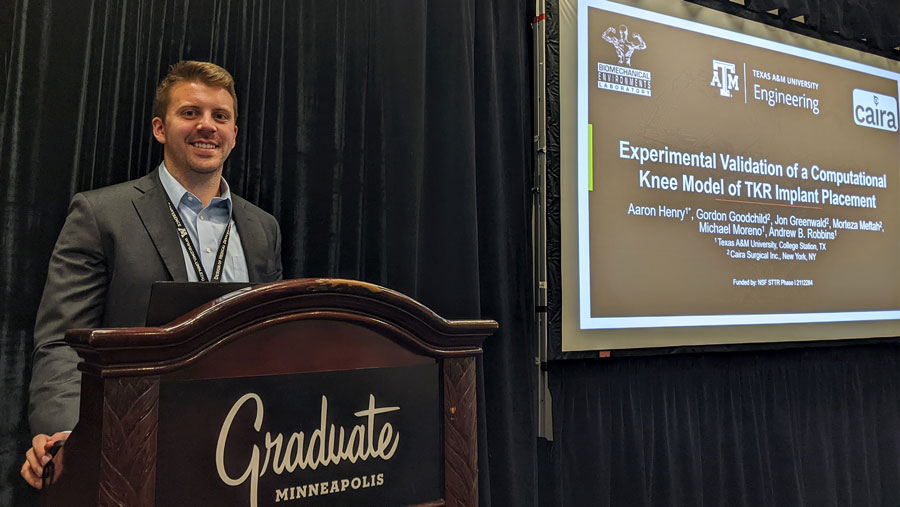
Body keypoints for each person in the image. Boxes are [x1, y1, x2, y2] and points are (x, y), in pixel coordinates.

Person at [20, 61, 283, 488]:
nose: (207, 126)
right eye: (190, 113)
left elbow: (271, 342)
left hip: (244, 450)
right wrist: (70, 435)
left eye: (220, 116)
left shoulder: (262, 229)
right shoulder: (101, 214)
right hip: (128, 450)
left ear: (234, 134)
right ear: (160, 128)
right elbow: (61, 343)